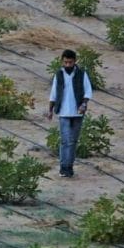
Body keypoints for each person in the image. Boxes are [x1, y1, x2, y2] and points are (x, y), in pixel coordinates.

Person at [48, 49, 93, 177]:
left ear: (75, 61)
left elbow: (88, 92)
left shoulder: (81, 74)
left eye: (70, 62)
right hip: (63, 112)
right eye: (65, 62)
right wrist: (50, 110)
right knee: (66, 141)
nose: (67, 65)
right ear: (62, 61)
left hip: (78, 113)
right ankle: (64, 168)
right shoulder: (59, 74)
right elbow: (54, 94)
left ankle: (69, 167)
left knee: (73, 141)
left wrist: (83, 104)